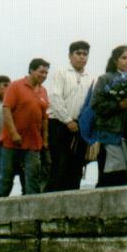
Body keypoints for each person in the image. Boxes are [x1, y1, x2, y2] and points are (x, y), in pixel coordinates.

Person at [0, 59, 50, 197]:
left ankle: (34, 214)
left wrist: (45, 139)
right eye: (41, 72)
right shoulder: (15, 86)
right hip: (11, 142)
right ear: (31, 70)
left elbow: (44, 117)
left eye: (46, 73)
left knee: (33, 179)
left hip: (33, 143)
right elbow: (6, 109)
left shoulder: (44, 91)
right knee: (6, 179)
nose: (44, 75)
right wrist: (14, 133)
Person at [45, 41, 92, 192]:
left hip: (80, 127)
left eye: (85, 54)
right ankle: (50, 207)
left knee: (77, 166)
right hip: (60, 124)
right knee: (60, 166)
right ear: (70, 56)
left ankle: (72, 209)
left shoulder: (89, 78)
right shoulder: (61, 73)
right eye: (78, 53)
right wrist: (68, 120)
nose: (82, 57)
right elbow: (54, 97)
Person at [91, 46, 127, 187]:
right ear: (115, 60)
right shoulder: (105, 79)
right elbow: (95, 104)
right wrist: (117, 105)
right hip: (110, 130)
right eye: (123, 58)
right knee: (113, 168)